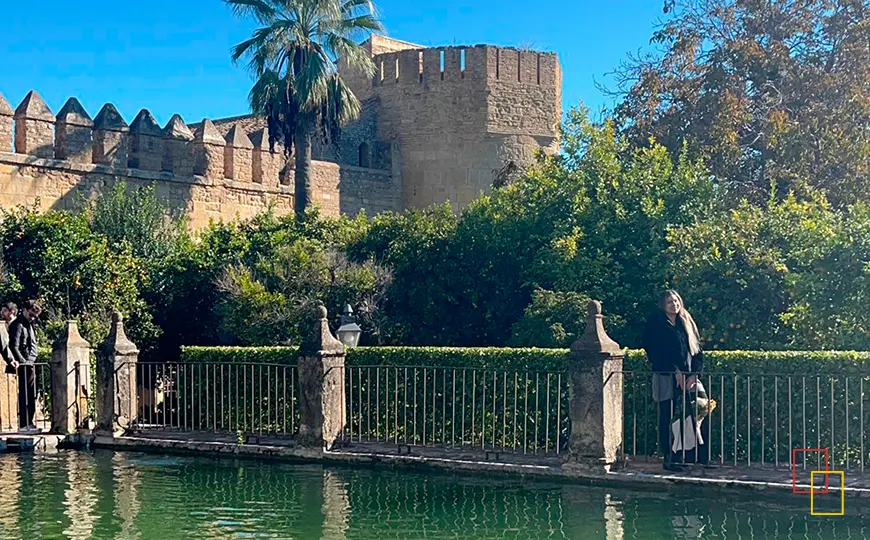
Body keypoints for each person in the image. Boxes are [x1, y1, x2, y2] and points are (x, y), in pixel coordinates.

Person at [642, 290, 710, 471]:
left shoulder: (685, 322)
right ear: (663, 305)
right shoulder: (656, 323)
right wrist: (674, 370)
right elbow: (654, 351)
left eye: (676, 300)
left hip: (688, 378)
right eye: (670, 302)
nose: (674, 304)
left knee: (695, 414)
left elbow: (697, 352)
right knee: (668, 417)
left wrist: (694, 374)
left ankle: (696, 455)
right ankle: (669, 457)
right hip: (665, 376)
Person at [8, 300, 41, 433]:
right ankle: (24, 424)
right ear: (25, 310)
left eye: (34, 316)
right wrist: (23, 362)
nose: (32, 318)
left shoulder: (29, 324)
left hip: (30, 363)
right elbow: (14, 346)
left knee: (32, 393)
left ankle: (29, 422)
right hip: (25, 363)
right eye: (31, 314)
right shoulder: (18, 325)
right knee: (25, 394)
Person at [0, 302, 16, 374]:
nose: (1, 313)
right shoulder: (3, 325)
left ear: (11, 312)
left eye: (4, 311)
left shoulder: (18, 324)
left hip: (16, 359)